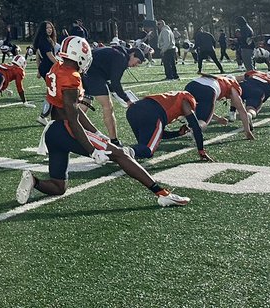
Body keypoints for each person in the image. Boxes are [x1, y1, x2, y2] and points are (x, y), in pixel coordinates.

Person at [15, 35, 191, 209]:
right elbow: (73, 119)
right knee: (121, 154)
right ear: (80, 55)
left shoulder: (57, 68)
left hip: (52, 132)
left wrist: (96, 133)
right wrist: (93, 151)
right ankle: (162, 194)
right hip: (66, 130)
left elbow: (71, 110)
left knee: (58, 186)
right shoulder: (72, 76)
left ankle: (34, 181)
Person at [124, 90, 210, 161]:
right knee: (147, 151)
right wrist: (201, 150)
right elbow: (196, 128)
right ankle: (121, 152)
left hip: (133, 110)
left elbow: (159, 134)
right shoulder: (186, 99)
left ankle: (114, 152)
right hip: (152, 113)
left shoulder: (171, 98)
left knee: (141, 148)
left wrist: (178, 133)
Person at [82, 45, 145, 142]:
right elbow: (115, 83)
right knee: (108, 106)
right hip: (93, 74)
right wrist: (127, 100)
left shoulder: (117, 52)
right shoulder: (121, 58)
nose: (136, 65)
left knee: (85, 103)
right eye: (137, 62)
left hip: (84, 72)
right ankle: (114, 139)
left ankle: (72, 129)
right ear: (132, 54)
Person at [183, 73, 255, 140]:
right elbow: (242, 111)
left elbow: (205, 109)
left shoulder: (218, 79)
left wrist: (218, 119)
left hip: (191, 85)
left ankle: (187, 128)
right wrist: (247, 131)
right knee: (203, 122)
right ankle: (192, 130)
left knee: (191, 112)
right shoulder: (232, 85)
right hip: (207, 90)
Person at [33, 21, 58, 125]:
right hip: (48, 69)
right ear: (43, 29)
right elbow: (50, 56)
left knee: (54, 92)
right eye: (47, 28)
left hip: (46, 68)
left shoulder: (46, 40)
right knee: (52, 92)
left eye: (51, 28)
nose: (49, 30)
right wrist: (61, 64)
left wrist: (39, 70)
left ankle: (53, 115)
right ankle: (43, 116)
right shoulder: (44, 41)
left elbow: (38, 57)